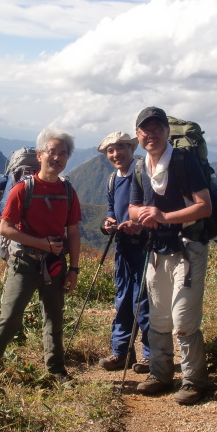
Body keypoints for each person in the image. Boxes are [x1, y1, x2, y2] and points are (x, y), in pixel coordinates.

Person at [0, 125, 82, 384]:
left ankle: (56, 370)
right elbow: (6, 229)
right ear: (40, 155)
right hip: (24, 262)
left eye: (63, 154)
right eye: (52, 151)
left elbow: (73, 233)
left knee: (54, 318)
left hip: (56, 265)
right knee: (11, 316)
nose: (57, 158)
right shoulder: (22, 190)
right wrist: (43, 243)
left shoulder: (68, 192)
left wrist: (74, 269)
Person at [128, 107, 212, 405]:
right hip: (157, 249)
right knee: (160, 316)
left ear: (167, 132)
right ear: (137, 134)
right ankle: (160, 373)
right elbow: (133, 208)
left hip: (188, 247)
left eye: (157, 129)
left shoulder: (183, 161)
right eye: (144, 130)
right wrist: (144, 215)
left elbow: (205, 206)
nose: (150, 135)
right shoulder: (140, 168)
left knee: (182, 319)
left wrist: (164, 216)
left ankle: (193, 380)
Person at [95, 132, 151, 373]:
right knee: (123, 300)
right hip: (123, 249)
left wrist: (139, 225)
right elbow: (111, 209)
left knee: (145, 302)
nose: (115, 154)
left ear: (131, 148)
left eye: (120, 148)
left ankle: (150, 355)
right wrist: (109, 222)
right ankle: (121, 352)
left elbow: (155, 209)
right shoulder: (112, 180)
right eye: (110, 150)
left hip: (146, 248)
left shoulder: (144, 173)